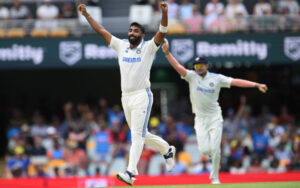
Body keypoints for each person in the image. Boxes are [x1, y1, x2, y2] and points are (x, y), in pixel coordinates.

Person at [78, 2, 175, 186]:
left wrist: (164, 12)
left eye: (136, 31)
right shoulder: (121, 45)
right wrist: (87, 15)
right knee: (142, 134)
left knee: (137, 135)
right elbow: (101, 31)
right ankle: (166, 149)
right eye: (130, 30)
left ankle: (130, 172)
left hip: (141, 95)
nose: (132, 33)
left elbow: (162, 31)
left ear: (142, 35)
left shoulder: (148, 47)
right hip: (126, 97)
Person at [161, 41, 268, 184]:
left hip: (215, 117)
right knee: (205, 150)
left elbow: (236, 81)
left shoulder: (217, 78)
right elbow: (178, 66)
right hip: (200, 119)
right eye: (196, 66)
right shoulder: (191, 76)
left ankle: (215, 177)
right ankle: (215, 155)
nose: (198, 68)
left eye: (201, 65)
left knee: (215, 148)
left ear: (206, 66)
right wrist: (167, 53)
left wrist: (256, 85)